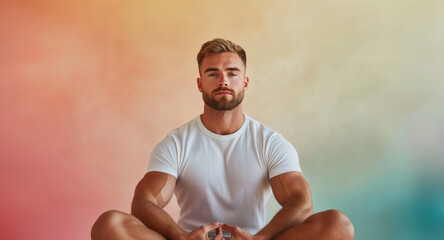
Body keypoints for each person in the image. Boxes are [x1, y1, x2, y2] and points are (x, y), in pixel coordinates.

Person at [91, 38, 354, 240]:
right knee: (109, 224)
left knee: (338, 224)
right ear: (199, 84)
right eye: (213, 73)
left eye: (232, 72)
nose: (223, 81)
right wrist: (181, 237)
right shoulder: (176, 143)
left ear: (245, 82)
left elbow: (301, 202)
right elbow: (144, 202)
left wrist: (259, 238)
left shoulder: (270, 143)